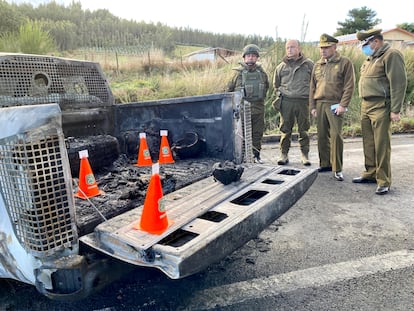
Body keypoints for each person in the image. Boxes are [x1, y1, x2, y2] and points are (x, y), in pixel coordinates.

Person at [352, 29, 407, 195]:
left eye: (366, 44)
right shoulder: (371, 59)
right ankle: (370, 173)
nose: (364, 47)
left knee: (381, 144)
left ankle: (383, 180)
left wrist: (395, 110)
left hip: (381, 106)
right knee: (368, 142)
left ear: (376, 41)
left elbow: (399, 83)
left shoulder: (391, 55)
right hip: (366, 105)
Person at [309, 34, 355, 181]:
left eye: (326, 47)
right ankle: (325, 164)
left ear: (335, 47)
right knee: (322, 136)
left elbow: (349, 86)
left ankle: (337, 168)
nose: (323, 50)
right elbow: (312, 87)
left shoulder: (344, 63)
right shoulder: (317, 65)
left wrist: (343, 105)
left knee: (336, 136)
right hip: (320, 103)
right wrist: (313, 106)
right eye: (321, 48)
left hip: (335, 104)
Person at [226, 44, 269, 163]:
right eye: (249, 56)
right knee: (242, 134)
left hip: (258, 108)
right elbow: (228, 91)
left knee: (257, 133)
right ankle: (242, 156)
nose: (251, 58)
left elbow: (266, 87)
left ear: (257, 58)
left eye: (253, 56)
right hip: (242, 109)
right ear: (244, 58)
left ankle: (256, 155)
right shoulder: (237, 74)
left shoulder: (262, 73)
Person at [273, 39, 314, 166]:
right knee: (285, 130)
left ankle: (305, 155)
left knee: (304, 130)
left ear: (299, 48)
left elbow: (316, 82)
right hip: (287, 102)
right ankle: (283, 154)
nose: (290, 50)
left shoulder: (309, 65)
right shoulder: (281, 67)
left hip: (303, 102)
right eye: (287, 48)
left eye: (292, 47)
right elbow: (276, 85)